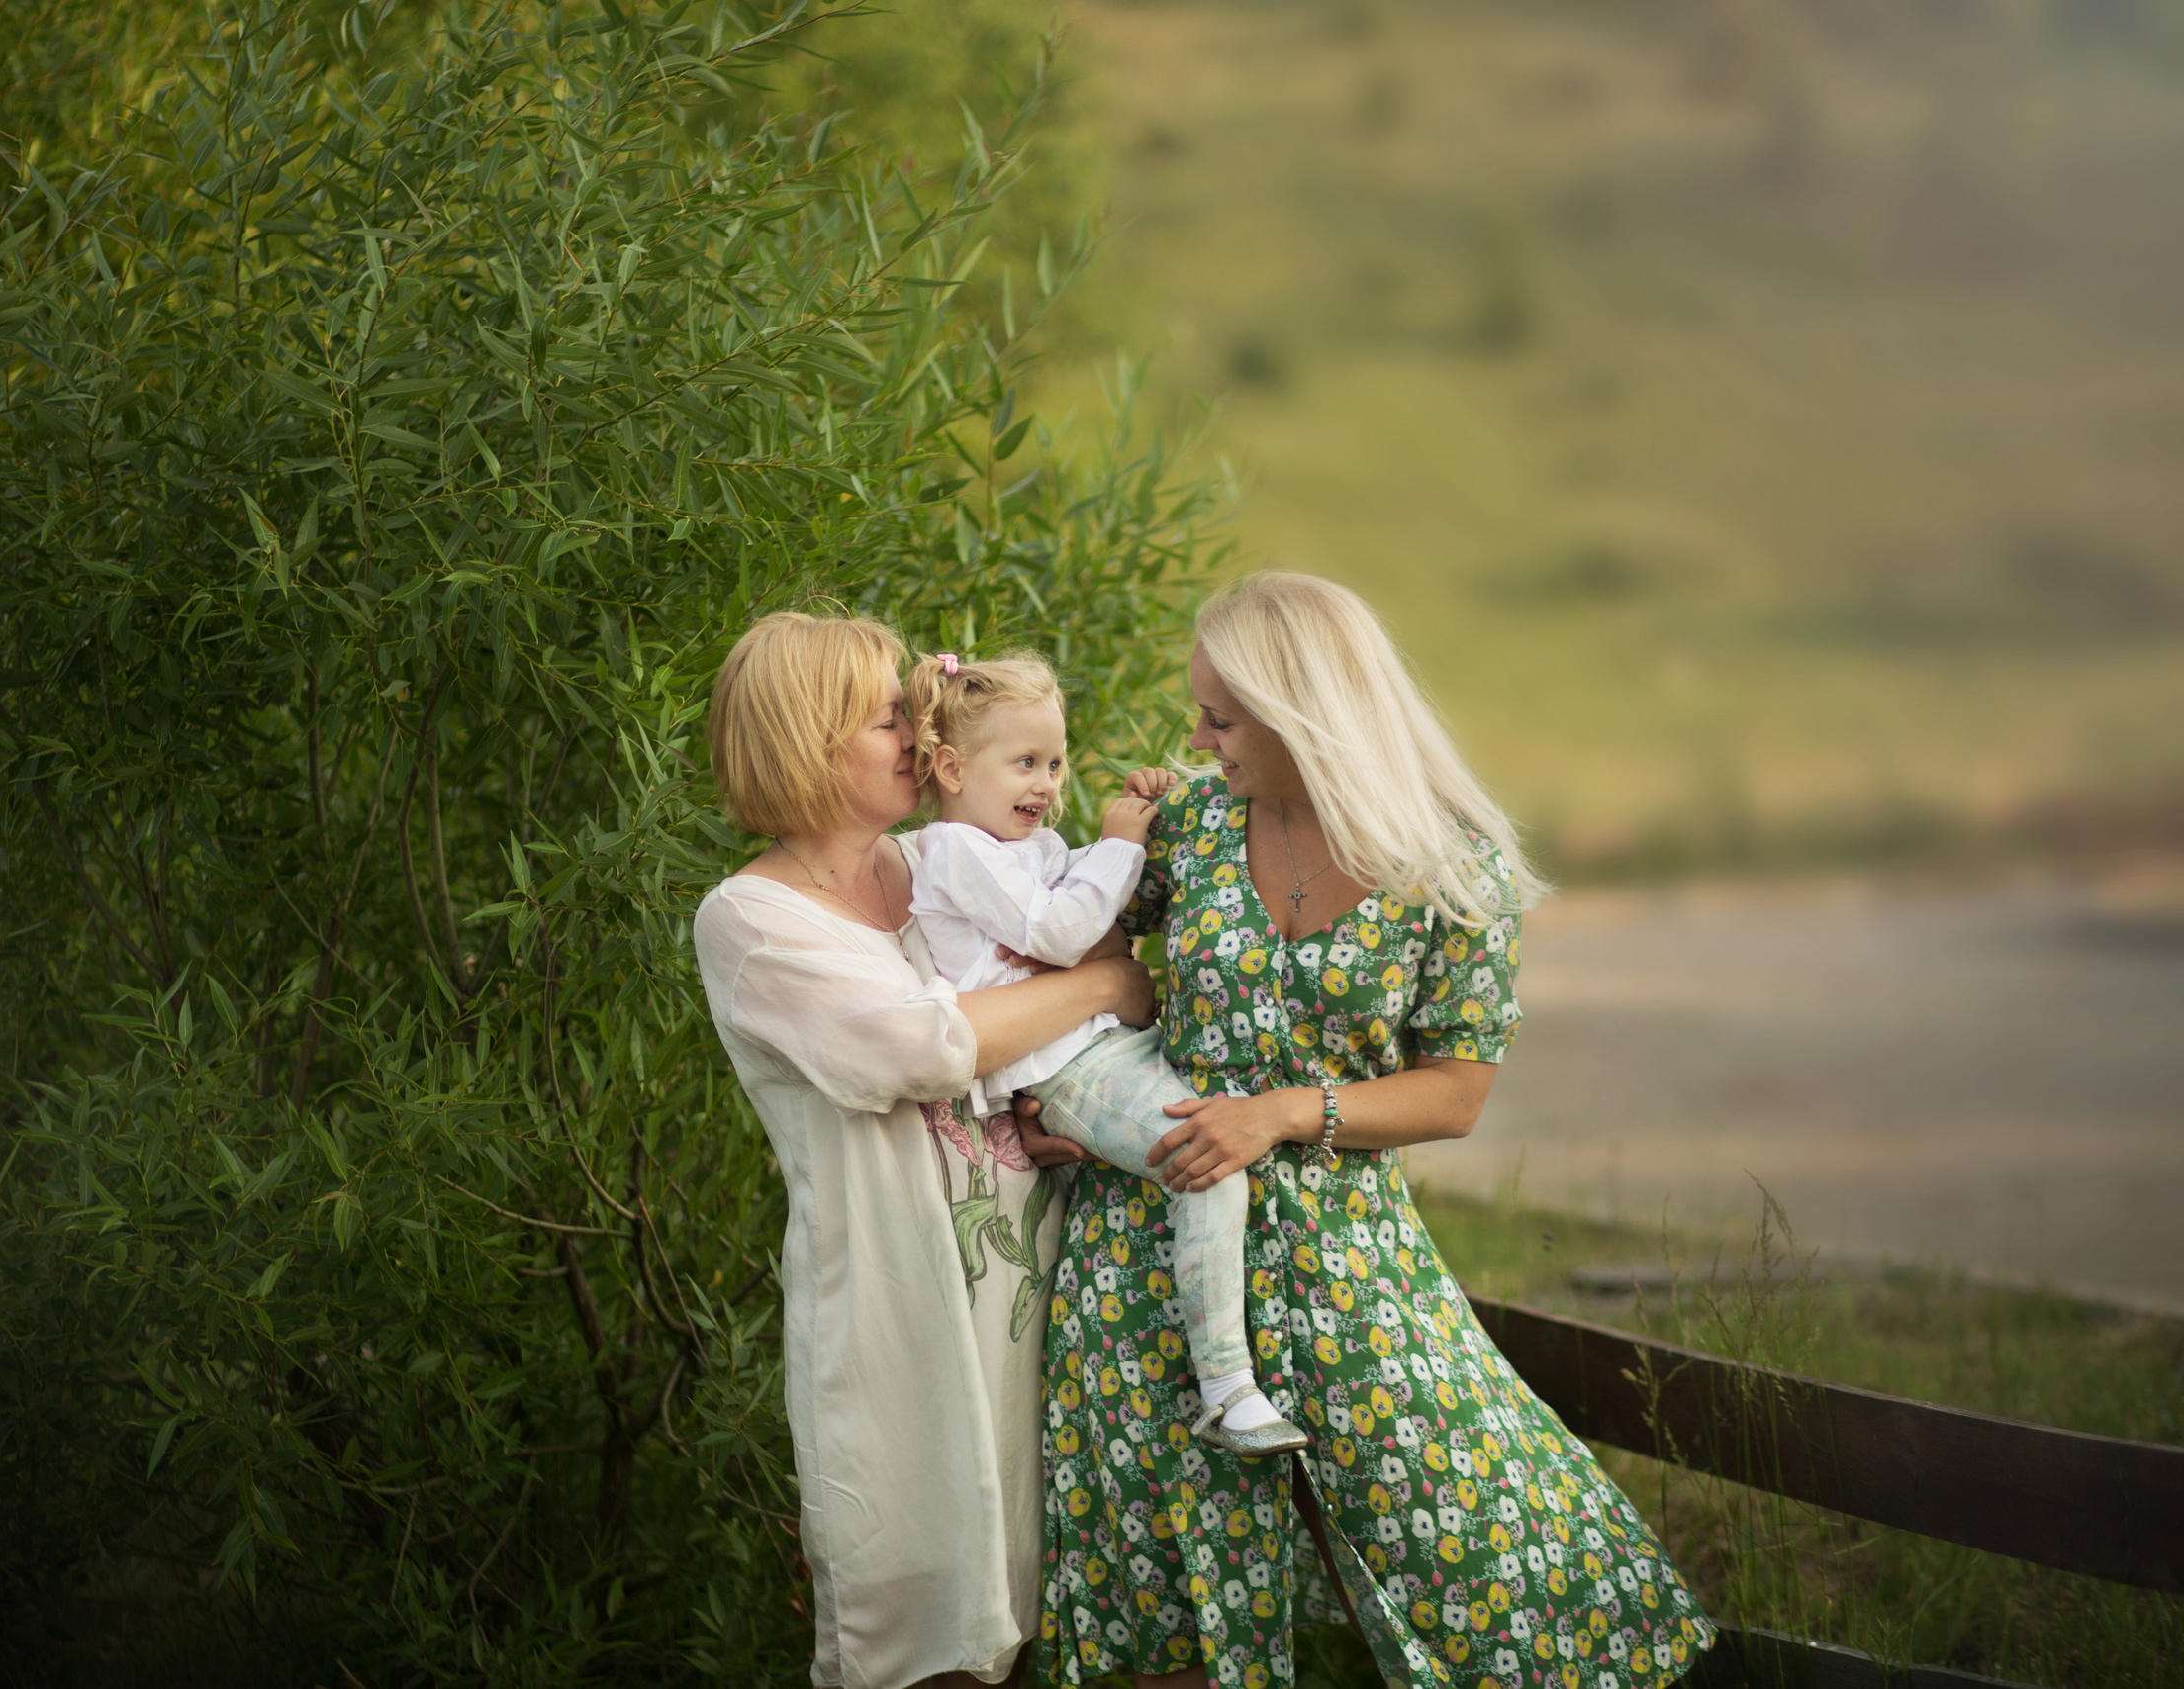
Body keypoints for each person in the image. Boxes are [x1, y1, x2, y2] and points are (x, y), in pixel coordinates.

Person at [1034, 574, 1716, 1689]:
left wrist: (1284, 1112)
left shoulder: (1448, 865)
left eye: (1221, 719)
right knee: (1170, 1575)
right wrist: (1054, 1097)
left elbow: (1455, 1092)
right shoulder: (1190, 824)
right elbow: (1062, 956)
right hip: (1149, 1244)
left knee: (1478, 1517)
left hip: (1345, 1250)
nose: (1197, 739)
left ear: (1302, 715)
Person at [690, 611, 1158, 1689]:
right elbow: (921, 1047)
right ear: (809, 743)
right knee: (919, 1628)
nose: (919, 734)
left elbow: (1025, 1007)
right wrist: (1104, 983)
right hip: (900, 1316)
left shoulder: (936, 862)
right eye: (887, 718)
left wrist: (1048, 1109)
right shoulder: (751, 920)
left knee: (1030, 1603)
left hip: (1024, 1289)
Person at [899, 647, 1306, 1457]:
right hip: (1064, 1070)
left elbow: (1084, 884)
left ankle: (1236, 1373)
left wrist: (1142, 818)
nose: (1047, 784)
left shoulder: (1019, 845)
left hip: (1102, 1049)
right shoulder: (953, 851)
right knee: (1207, 1162)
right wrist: (1119, 846)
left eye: (1055, 763)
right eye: (1025, 762)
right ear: (950, 767)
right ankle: (1227, 1388)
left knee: (1213, 1153)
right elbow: (1061, 930)